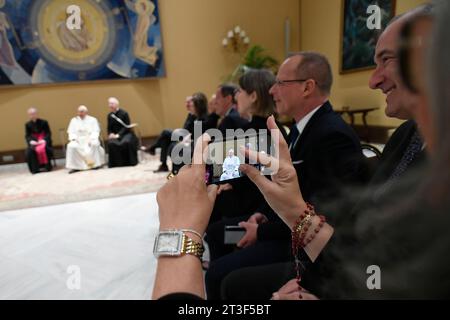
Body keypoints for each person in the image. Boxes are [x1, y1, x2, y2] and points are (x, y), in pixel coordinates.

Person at [220, 4, 433, 300]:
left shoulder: (332, 135)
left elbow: (340, 214)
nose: (374, 80)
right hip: (346, 264)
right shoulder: (406, 134)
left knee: (230, 279)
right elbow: (361, 229)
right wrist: (312, 277)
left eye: (386, 60)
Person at [205, 53, 365, 299]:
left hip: (299, 245)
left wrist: (261, 231)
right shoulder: (301, 129)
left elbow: (324, 213)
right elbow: (280, 188)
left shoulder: (332, 136)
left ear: (307, 87)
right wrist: (261, 215)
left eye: (281, 83)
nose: (272, 90)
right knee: (218, 236)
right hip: (276, 226)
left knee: (220, 273)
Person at [145, 92, 208, 173]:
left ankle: (153, 149)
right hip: (188, 140)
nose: (189, 105)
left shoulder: (202, 119)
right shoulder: (195, 116)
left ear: (197, 106)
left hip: (195, 146)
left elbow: (194, 135)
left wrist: (187, 140)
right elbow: (186, 129)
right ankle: (166, 167)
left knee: (166, 133)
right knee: (167, 141)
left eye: (191, 104)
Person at [65, 105, 105, 174]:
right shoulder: (74, 120)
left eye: (82, 112)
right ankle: (76, 167)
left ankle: (94, 165)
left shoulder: (93, 119)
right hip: (78, 140)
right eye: (79, 112)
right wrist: (74, 139)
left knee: (94, 144)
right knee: (71, 146)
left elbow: (95, 131)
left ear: (86, 112)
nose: (80, 113)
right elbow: (71, 132)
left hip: (89, 138)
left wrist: (92, 139)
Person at [106, 97, 139, 168]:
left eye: (112, 103)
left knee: (126, 142)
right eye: (109, 104)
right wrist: (110, 134)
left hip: (126, 133)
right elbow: (109, 128)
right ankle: (116, 164)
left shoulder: (124, 113)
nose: (110, 105)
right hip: (115, 135)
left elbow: (126, 126)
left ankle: (129, 162)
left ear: (116, 104)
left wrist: (118, 135)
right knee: (111, 143)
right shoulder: (109, 115)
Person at [25, 107, 53, 174]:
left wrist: (44, 140)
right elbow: (27, 135)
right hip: (34, 142)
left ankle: (47, 167)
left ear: (36, 114)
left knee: (45, 148)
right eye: (31, 114)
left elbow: (48, 133)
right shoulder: (27, 124)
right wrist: (31, 141)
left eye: (34, 113)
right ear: (29, 115)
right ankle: (35, 169)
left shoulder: (44, 122)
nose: (32, 115)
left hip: (43, 141)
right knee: (29, 151)